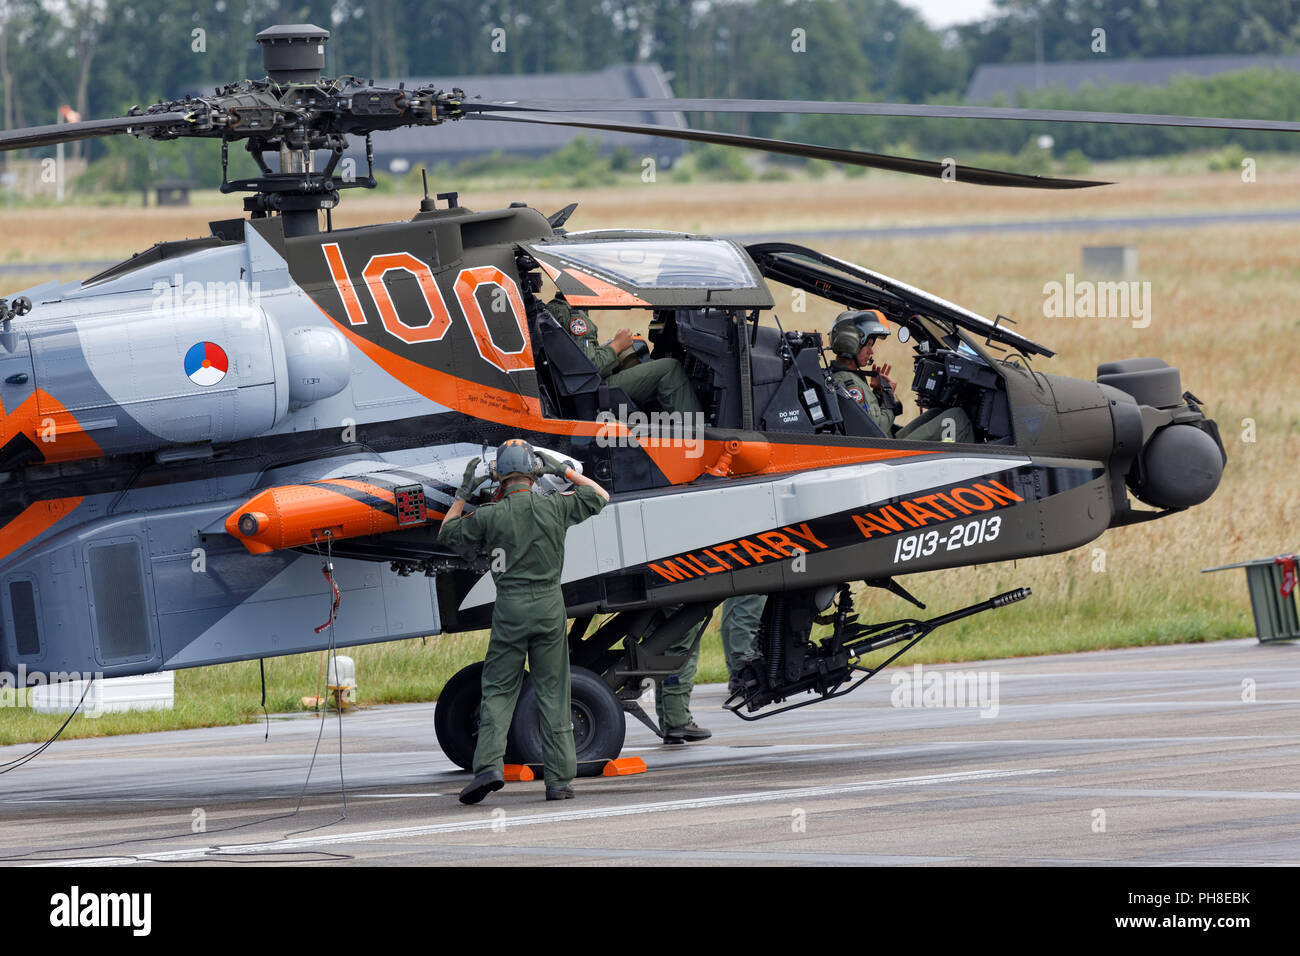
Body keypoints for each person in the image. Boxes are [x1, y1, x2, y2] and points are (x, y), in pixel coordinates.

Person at [438, 439, 609, 804]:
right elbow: (600, 496)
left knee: (499, 690)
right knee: (553, 692)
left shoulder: (489, 515)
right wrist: (564, 471)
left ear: (499, 475)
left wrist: (463, 494)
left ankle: (488, 767)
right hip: (549, 606)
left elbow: (448, 533)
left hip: (510, 610)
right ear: (534, 472)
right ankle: (560, 780)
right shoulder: (554, 508)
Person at [829, 309, 974, 443]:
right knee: (958, 417)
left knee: (937, 413)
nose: (871, 352)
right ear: (851, 343)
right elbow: (874, 428)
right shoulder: (848, 383)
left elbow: (866, 419)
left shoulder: (846, 378)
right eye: (869, 345)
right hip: (884, 451)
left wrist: (880, 394)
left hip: (885, 442)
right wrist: (888, 397)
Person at [547, 295, 703, 417]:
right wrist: (617, 346)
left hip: (582, 387)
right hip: (592, 389)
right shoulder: (574, 315)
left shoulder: (558, 309)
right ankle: (700, 437)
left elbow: (580, 356)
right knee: (670, 368)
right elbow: (591, 366)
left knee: (637, 349)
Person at [655, 592, 766, 743]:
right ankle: (677, 721)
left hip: (654, 588)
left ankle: (669, 720)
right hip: (671, 587)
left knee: (660, 649)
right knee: (682, 649)